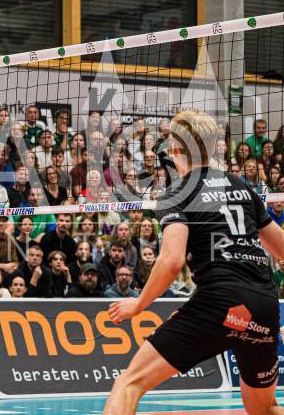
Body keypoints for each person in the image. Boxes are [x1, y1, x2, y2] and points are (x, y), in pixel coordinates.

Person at [104, 110, 284, 415]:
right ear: (213, 147)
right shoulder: (242, 187)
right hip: (264, 305)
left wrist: (138, 304)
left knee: (128, 383)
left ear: (174, 149)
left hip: (220, 302)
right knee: (264, 409)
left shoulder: (176, 193)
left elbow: (172, 260)